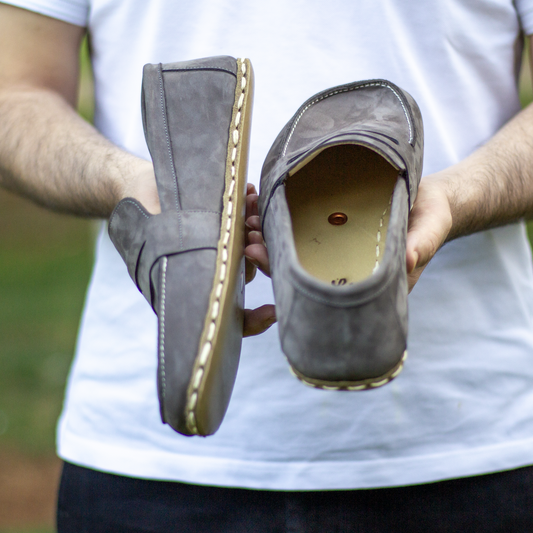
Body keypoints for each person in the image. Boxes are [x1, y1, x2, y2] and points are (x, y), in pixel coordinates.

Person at [1, 0, 533, 530]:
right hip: (140, 464)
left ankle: (186, 240)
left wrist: (457, 199)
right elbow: (12, 96)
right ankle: (351, 303)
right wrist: (125, 181)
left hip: (477, 449)